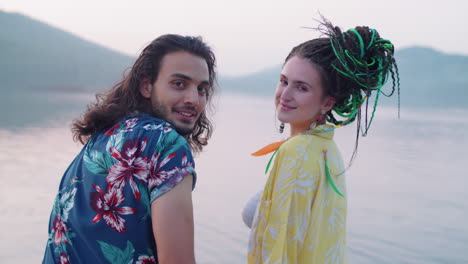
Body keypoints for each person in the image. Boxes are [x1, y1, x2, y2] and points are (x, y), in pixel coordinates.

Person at [42, 34, 217, 264]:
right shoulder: (167, 145)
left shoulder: (101, 137)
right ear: (146, 86)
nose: (194, 99)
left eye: (202, 89)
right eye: (179, 84)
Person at [246, 19, 400, 263]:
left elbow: (280, 248)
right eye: (284, 81)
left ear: (327, 102)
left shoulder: (298, 152)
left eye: (301, 88)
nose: (285, 95)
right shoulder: (326, 148)